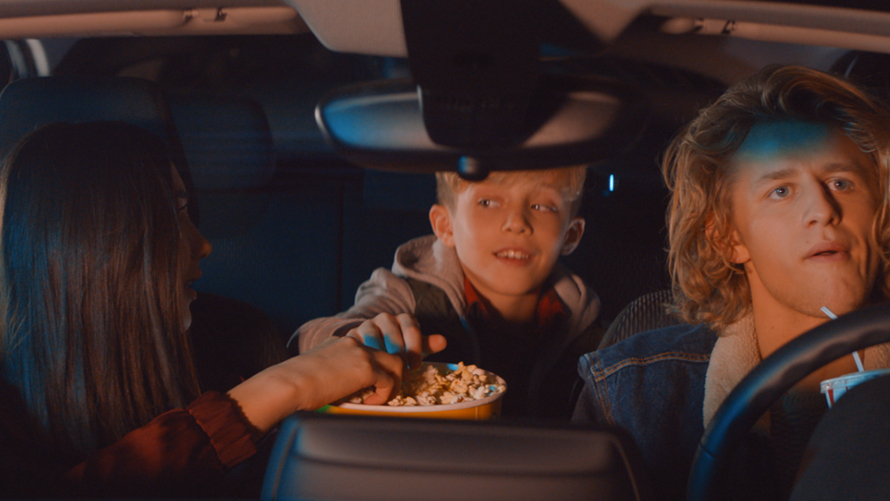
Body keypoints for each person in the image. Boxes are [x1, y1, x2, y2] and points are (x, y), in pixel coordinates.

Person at [0, 121, 407, 498]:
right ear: (94, 245)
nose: (204, 245)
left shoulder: (238, 337)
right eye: (174, 215)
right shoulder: (11, 411)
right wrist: (277, 390)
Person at [572, 65, 890, 500]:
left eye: (841, 182)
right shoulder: (632, 398)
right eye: (781, 190)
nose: (823, 209)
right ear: (728, 238)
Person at [293, 166, 603, 419]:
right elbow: (308, 341)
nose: (516, 223)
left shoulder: (592, 336)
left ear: (571, 234)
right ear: (445, 226)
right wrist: (355, 338)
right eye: (488, 202)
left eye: (542, 206)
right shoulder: (405, 295)